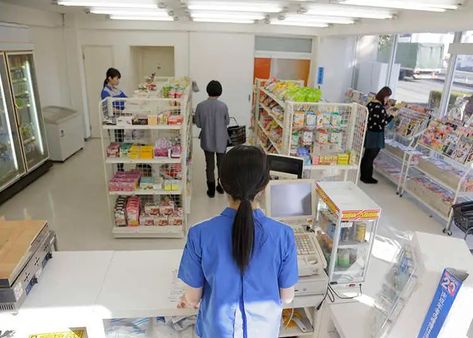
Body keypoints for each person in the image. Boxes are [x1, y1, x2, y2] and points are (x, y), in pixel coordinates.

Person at [177, 145, 298, 338]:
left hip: (216, 331)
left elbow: (193, 297)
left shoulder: (199, 234)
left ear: (223, 183)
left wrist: (187, 299)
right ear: (264, 185)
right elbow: (287, 297)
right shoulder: (284, 235)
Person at [195, 80, 230, 198]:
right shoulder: (223, 106)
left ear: (207, 90)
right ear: (220, 92)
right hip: (221, 140)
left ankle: (211, 190)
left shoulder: (200, 106)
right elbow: (227, 122)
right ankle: (220, 186)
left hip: (207, 139)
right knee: (222, 164)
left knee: (209, 165)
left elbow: (199, 124)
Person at [360, 86, 394, 184]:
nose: (387, 99)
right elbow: (383, 123)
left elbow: (375, 118)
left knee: (366, 156)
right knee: (370, 157)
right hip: (376, 135)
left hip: (369, 133)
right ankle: (368, 178)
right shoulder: (380, 108)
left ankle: (363, 176)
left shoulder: (370, 104)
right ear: (384, 96)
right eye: (387, 97)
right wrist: (392, 116)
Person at [101, 68, 127, 171]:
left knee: (121, 142)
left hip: (120, 120)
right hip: (113, 122)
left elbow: (125, 98)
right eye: (116, 78)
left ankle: (121, 167)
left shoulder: (116, 89)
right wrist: (122, 111)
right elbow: (110, 109)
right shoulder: (105, 92)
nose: (118, 81)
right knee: (116, 145)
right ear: (109, 78)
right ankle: (119, 169)